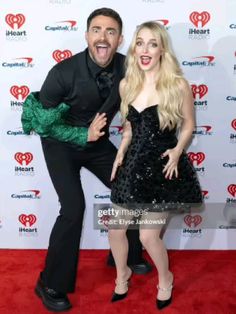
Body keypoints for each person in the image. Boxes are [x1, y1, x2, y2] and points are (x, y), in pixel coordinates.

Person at [21, 8, 151, 312]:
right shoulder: (62, 73)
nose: (102, 37)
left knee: (132, 187)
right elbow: (38, 121)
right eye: (96, 30)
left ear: (119, 39)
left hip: (97, 144)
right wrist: (82, 136)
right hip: (60, 144)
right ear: (87, 36)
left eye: (110, 31)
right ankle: (49, 283)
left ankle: (125, 254)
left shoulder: (128, 67)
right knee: (73, 207)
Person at [108, 21, 203, 310]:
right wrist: (120, 153)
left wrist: (176, 151)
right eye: (140, 42)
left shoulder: (177, 84)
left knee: (149, 236)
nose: (145, 49)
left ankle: (166, 278)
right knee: (115, 229)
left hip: (163, 168)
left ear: (162, 49)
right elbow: (128, 129)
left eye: (152, 43)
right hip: (133, 165)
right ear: (134, 48)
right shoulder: (127, 84)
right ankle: (121, 274)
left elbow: (189, 125)